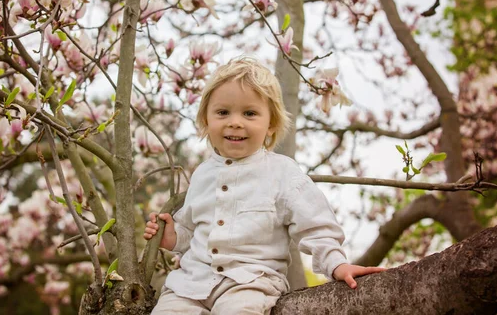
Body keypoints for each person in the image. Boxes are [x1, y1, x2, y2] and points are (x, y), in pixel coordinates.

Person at [144, 57, 385, 314]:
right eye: (223, 112)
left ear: (270, 124)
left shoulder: (282, 172)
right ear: (206, 119)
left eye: (249, 113)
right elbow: (193, 231)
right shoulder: (203, 173)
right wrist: (172, 237)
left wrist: (337, 264)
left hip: (250, 283)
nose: (235, 122)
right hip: (191, 284)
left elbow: (314, 225)